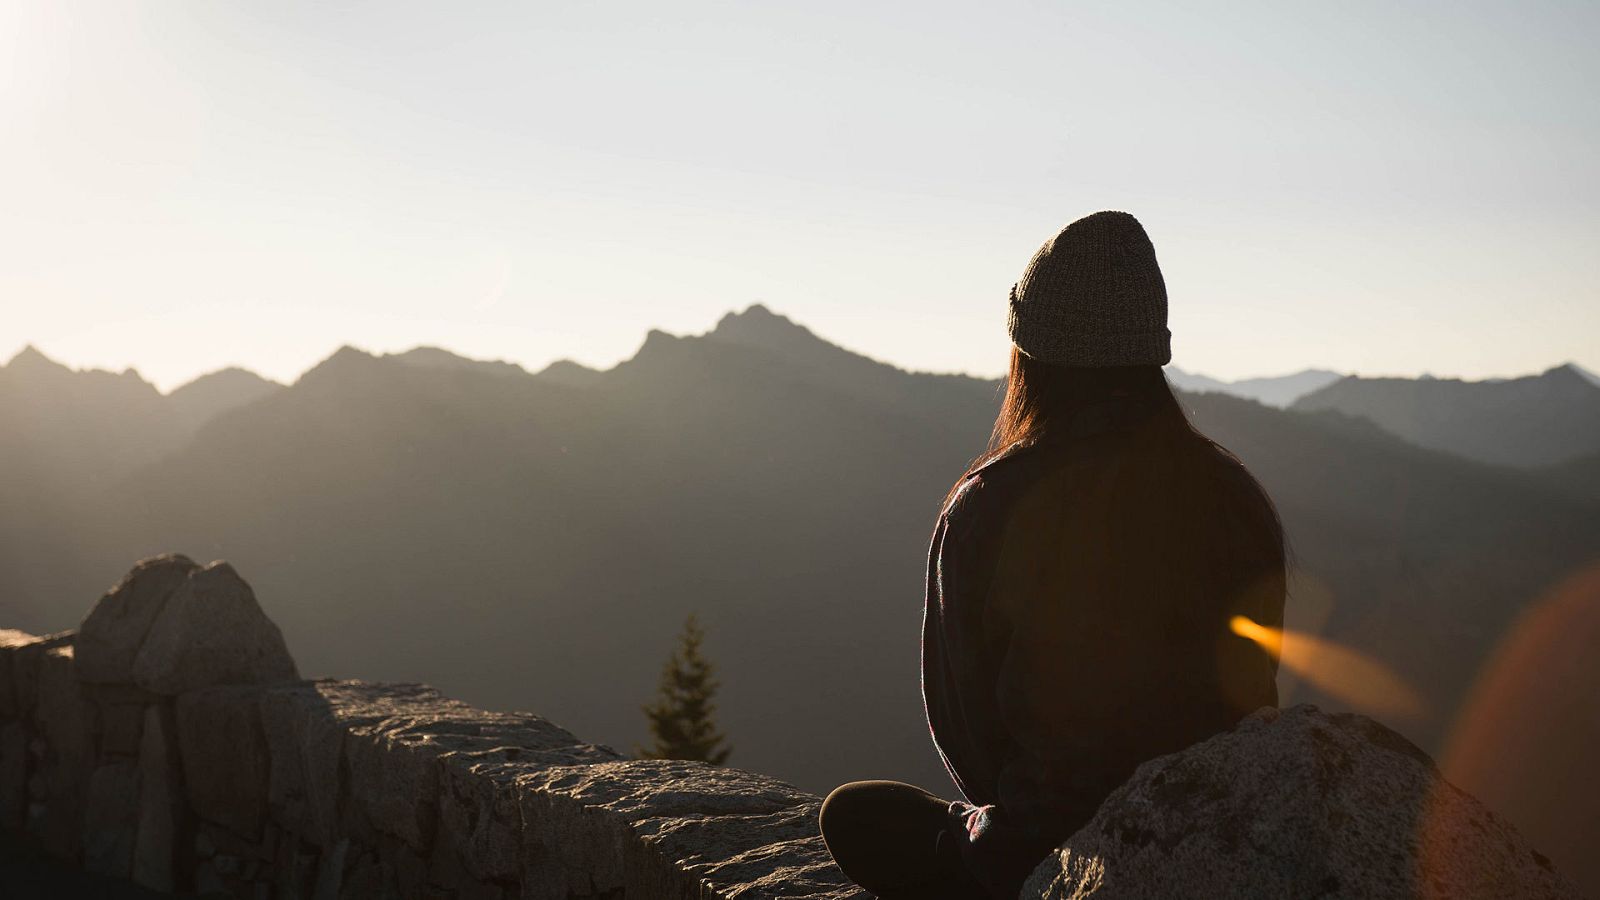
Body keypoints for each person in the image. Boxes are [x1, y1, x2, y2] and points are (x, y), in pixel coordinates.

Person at [818, 211, 1287, 899]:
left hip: (1049, 858)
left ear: (1027, 353)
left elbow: (967, 730)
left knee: (857, 815)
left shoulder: (990, 503)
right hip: (1216, 836)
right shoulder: (1231, 496)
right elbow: (1252, 695)